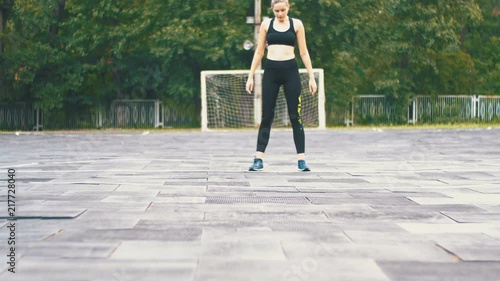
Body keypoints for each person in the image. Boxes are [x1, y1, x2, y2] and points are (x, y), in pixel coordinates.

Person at [246, 0, 317, 172]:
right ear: (272, 10)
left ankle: (301, 160)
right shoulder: (266, 24)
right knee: (267, 116)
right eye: (276, 11)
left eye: (283, 10)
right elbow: (259, 52)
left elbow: (304, 51)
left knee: (295, 116)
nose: (279, 14)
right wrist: (250, 76)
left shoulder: (297, 24)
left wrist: (311, 77)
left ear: (288, 8)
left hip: (290, 72)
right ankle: (258, 158)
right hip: (271, 72)